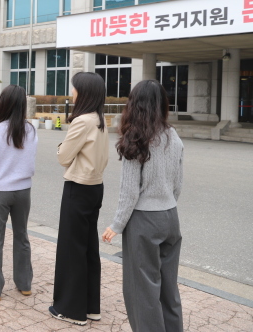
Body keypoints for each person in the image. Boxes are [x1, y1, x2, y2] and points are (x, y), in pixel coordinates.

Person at [102, 80, 184, 332]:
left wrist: (116, 225)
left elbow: (129, 193)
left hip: (143, 221)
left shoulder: (135, 138)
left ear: (134, 105)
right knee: (169, 288)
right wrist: (165, 203)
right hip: (170, 217)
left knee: (143, 291)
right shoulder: (173, 136)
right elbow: (177, 184)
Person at [50, 72, 108, 326]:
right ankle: (90, 307)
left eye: (73, 89)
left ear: (82, 92)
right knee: (88, 249)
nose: (71, 93)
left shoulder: (82, 121)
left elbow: (64, 156)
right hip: (95, 186)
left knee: (71, 250)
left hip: (78, 185)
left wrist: (60, 147)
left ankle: (71, 310)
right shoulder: (98, 119)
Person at [0, 85, 37, 302]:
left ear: (3, 103)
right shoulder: (30, 130)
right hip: (23, 190)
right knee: (22, 236)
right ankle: (25, 284)